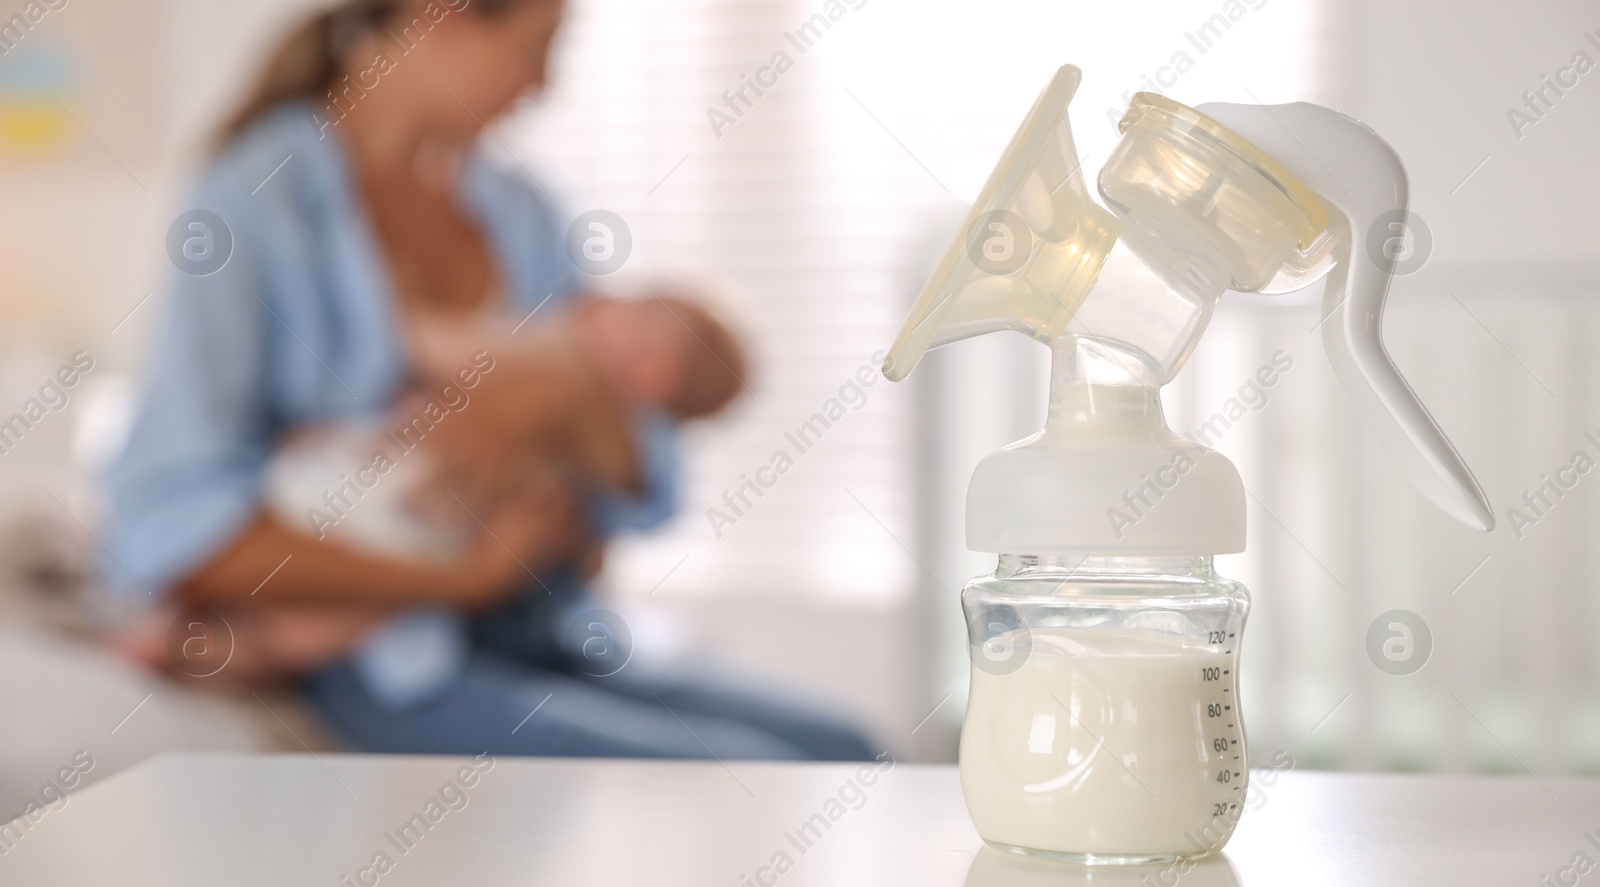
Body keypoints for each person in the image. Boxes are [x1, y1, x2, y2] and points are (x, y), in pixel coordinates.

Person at [103, 0, 874, 760]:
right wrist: (462, 577)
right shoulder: (254, 203)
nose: (544, 86)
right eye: (538, 46)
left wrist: (551, 406)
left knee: (844, 750)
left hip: (546, 625)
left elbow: (642, 480)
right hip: (391, 654)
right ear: (442, 15)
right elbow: (171, 522)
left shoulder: (522, 213)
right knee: (730, 776)